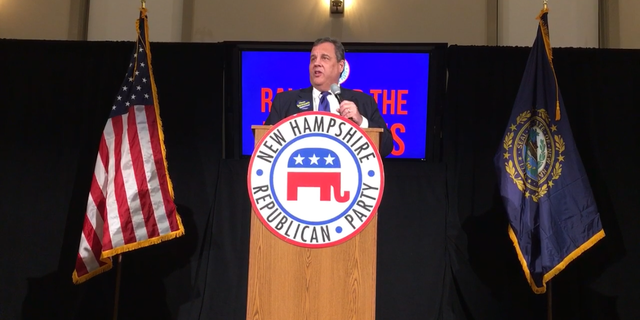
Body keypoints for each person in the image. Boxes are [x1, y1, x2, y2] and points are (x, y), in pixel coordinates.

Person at [264, 37, 394, 158]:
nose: (317, 63)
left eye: (324, 58)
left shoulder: (363, 102)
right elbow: (265, 146)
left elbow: (386, 147)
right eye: (313, 59)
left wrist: (361, 122)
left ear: (340, 66)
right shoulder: (285, 101)